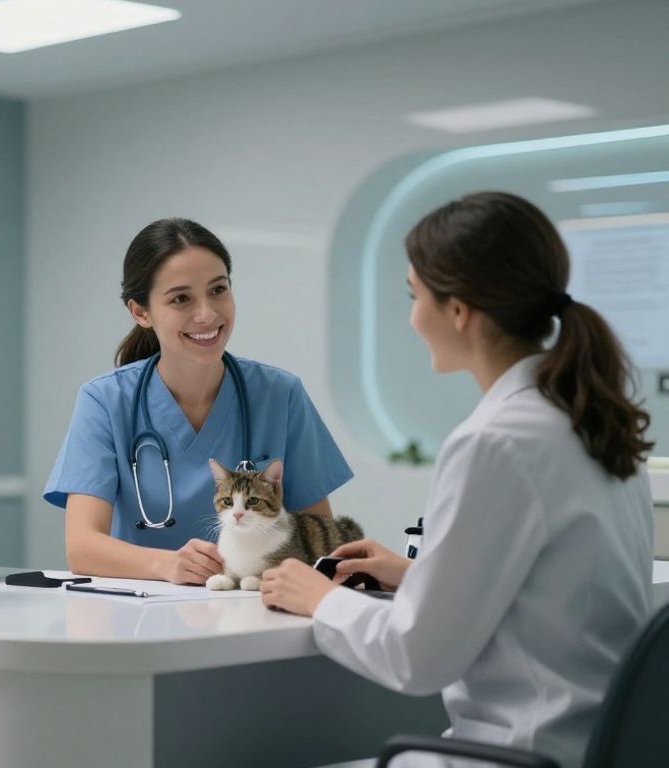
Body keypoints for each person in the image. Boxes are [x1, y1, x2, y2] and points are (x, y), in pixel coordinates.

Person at [260, 192, 655, 767]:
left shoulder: (494, 441)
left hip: (518, 756)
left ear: (459, 310)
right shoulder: (594, 419)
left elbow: (418, 658)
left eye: (415, 296)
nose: (412, 316)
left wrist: (319, 599)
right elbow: (560, 591)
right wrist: (418, 575)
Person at [44, 217, 353, 585]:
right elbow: (82, 547)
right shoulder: (105, 401)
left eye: (218, 290)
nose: (207, 313)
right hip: (140, 621)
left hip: (253, 613)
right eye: (181, 298)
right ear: (141, 312)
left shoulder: (280, 394)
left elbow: (319, 539)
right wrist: (167, 565)